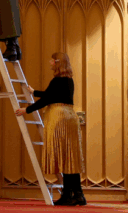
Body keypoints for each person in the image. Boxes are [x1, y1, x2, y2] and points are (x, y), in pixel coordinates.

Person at [15, 52, 85, 206]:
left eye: (52, 60)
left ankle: (70, 195)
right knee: (70, 157)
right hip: (70, 117)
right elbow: (51, 95)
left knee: (64, 157)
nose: (50, 62)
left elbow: (47, 99)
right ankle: (76, 194)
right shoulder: (68, 80)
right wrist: (35, 92)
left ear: (57, 62)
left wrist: (27, 110)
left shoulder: (56, 80)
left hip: (58, 118)